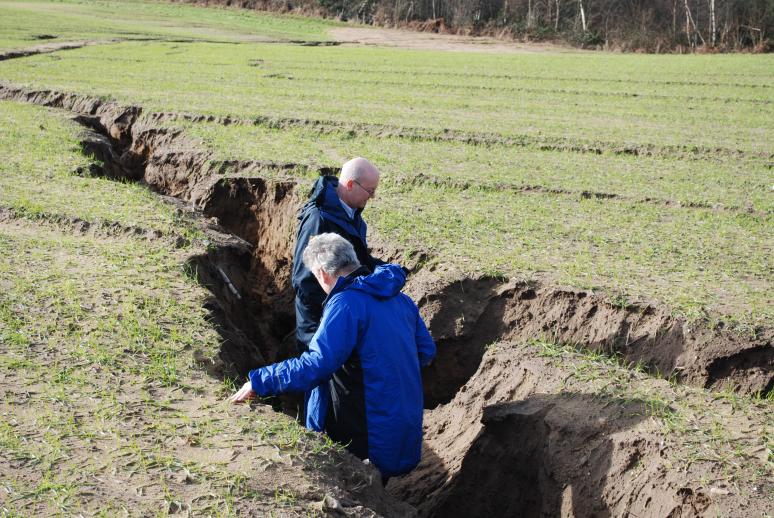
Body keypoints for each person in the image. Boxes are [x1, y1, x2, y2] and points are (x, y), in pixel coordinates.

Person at [230, 233, 436, 480]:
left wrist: (261, 380)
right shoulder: (401, 299)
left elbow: (317, 364)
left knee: (358, 488)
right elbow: (426, 352)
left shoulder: (346, 304)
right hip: (400, 420)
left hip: (365, 428)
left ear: (321, 273)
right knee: (377, 485)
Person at [292, 157, 384, 355]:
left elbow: (357, 260)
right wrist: (338, 305)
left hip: (344, 310)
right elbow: (303, 279)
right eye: (370, 191)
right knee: (318, 369)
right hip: (318, 320)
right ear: (351, 184)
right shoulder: (319, 219)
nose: (373, 196)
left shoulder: (353, 216)